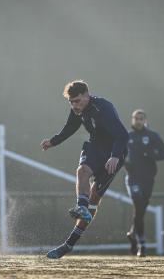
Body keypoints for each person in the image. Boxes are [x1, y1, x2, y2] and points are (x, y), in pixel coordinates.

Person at [40, 80, 129, 259]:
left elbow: (122, 135)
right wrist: (53, 141)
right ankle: (81, 207)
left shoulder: (103, 108)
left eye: (77, 101)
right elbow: (70, 128)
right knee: (82, 171)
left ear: (87, 96)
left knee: (95, 197)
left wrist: (115, 156)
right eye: (71, 102)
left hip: (114, 151)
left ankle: (69, 244)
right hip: (95, 146)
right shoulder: (77, 110)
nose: (74, 105)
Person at [124, 110, 164, 257]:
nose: (138, 121)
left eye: (141, 118)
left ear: (145, 120)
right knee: (138, 206)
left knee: (141, 210)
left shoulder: (152, 136)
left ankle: (132, 233)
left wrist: (150, 155)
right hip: (133, 178)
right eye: (136, 118)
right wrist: (125, 161)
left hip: (148, 178)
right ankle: (142, 244)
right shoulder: (127, 137)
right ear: (132, 120)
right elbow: (119, 155)